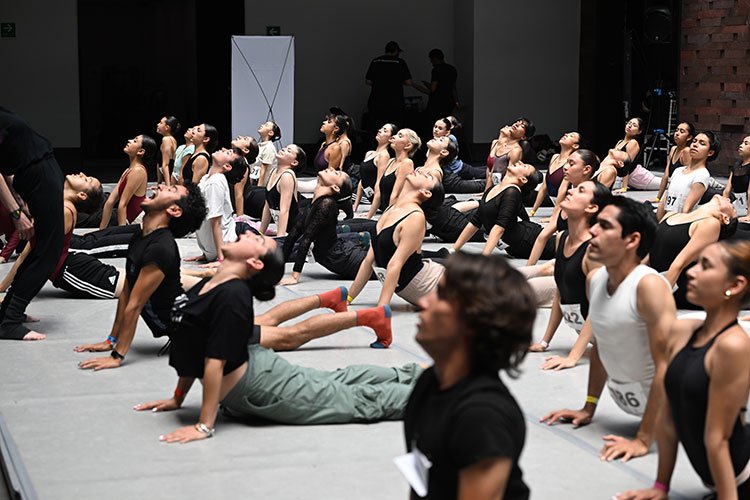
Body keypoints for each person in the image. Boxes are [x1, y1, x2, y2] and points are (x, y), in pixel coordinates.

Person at [134, 233, 423, 441]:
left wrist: (204, 426)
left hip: (263, 385)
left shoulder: (232, 295)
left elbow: (214, 360)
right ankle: (418, 373)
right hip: (258, 372)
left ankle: (433, 390)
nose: (247, 234)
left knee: (355, 400)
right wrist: (178, 398)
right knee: (341, 380)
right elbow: (189, 344)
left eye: (257, 240)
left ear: (255, 262)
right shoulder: (210, 285)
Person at [541, 197, 677, 464]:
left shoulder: (648, 286)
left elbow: (667, 365)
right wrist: (588, 407)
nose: (593, 230)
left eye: (605, 225)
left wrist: (643, 439)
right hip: (637, 406)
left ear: (632, 240)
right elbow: (601, 345)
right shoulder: (595, 279)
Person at [616, 241, 750, 500]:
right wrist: (660, 487)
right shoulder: (681, 331)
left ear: (735, 285)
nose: (691, 271)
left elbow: (718, 439)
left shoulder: (733, 346)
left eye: (706, 266)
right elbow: (668, 417)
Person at [403, 252, 534, 499]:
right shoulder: (430, 382)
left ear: (473, 318)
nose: (424, 302)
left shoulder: (482, 417)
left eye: (441, 295)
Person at [75, 182, 207, 370]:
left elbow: (135, 304)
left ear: (174, 210)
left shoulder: (160, 248)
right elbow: (126, 292)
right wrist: (111, 340)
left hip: (196, 326)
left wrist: (117, 356)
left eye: (171, 189)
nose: (160, 186)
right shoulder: (141, 236)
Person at [0, 173, 122, 301]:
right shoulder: (59, 204)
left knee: (134, 287)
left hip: (75, 272)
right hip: (75, 265)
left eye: (86, 180)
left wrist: (12, 298)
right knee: (133, 279)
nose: (81, 174)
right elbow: (30, 251)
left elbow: (39, 260)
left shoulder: (64, 212)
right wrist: (4, 287)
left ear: (81, 195)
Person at [0, 108, 65, 340]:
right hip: (37, 173)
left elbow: (4, 161)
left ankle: (9, 312)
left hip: (39, 171)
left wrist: (19, 200)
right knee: (48, 252)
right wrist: (16, 213)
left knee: (44, 250)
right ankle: (9, 321)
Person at [530, 181, 610, 366]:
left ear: (591, 207)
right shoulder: (562, 237)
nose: (571, 191)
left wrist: (573, 358)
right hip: (593, 337)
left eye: (581, 190)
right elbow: (560, 293)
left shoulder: (594, 250)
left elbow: (599, 307)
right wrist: (544, 342)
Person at [348, 170, 445, 309]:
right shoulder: (391, 209)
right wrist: (348, 298)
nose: (419, 171)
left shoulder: (415, 217)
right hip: (422, 283)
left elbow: (395, 264)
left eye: (427, 176)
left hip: (433, 284)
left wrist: (381, 309)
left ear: (426, 192)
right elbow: (369, 260)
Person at [649, 194, 738, 310]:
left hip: (680, 285)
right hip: (658, 280)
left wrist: (658, 302)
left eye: (732, 207)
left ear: (725, 218)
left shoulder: (710, 223)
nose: (728, 199)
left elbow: (679, 264)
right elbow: (649, 254)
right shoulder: (673, 214)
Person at [279, 168, 368, 283]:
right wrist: (278, 267)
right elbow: (292, 236)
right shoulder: (314, 203)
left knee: (383, 267)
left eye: (336, 173)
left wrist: (295, 276)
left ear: (335, 187)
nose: (331, 168)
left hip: (344, 257)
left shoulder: (327, 204)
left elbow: (306, 240)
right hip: (337, 256)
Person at [451, 163, 545, 257]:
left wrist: (483, 259)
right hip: (516, 246)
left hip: (531, 240)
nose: (519, 163)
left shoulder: (512, 192)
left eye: (524, 166)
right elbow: (476, 221)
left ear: (523, 179)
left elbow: (499, 228)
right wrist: (453, 249)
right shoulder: (493, 189)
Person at [526, 149, 598, 265]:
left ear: (586, 169)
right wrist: (529, 267)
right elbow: (542, 237)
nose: (565, 167)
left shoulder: (593, 198)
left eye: (571, 164)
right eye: (567, 162)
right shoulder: (569, 196)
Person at [186, 148, 248, 263]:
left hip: (234, 236)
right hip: (216, 245)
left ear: (227, 166)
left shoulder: (215, 182)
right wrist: (207, 253)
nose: (223, 149)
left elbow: (217, 222)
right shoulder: (206, 178)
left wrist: (221, 259)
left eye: (228, 152)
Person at [656, 131, 718, 221]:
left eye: (702, 143)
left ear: (710, 153)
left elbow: (686, 210)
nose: (695, 145)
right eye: (694, 141)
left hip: (678, 222)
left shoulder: (702, 174)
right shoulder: (678, 171)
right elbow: (664, 202)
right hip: (664, 220)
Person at [99, 134, 154, 229]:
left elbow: (123, 204)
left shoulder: (138, 171)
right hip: (131, 220)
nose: (129, 140)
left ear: (141, 151)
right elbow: (110, 202)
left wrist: (121, 232)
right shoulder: (128, 170)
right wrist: (101, 230)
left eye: (135, 141)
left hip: (140, 221)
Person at [370, 128, 421, 216]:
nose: (394, 136)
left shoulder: (407, 163)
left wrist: (387, 219)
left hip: (396, 215)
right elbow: (379, 192)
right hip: (385, 212)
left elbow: (395, 196)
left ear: (408, 145)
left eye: (400, 136)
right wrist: (369, 216)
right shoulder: (390, 161)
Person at [530, 132, 581, 216]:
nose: (566, 134)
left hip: (568, 206)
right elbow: (544, 186)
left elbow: (563, 189)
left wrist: (554, 216)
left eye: (571, 136)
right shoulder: (554, 157)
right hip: (554, 201)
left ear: (575, 146)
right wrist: (533, 211)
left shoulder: (571, 162)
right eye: (567, 134)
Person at [365, 41, 414, 128]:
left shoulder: (376, 61)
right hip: (395, 102)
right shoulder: (400, 62)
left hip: (376, 100)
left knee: (378, 127)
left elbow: (368, 81)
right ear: (396, 51)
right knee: (394, 127)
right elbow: (408, 82)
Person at [259, 144, 305, 237]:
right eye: (285, 148)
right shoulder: (273, 171)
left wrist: (280, 238)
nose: (283, 149)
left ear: (294, 162)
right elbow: (268, 206)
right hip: (285, 230)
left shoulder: (287, 176)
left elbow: (284, 210)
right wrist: (260, 233)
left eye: (289, 151)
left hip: (296, 231)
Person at [353, 123, 397, 213]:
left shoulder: (384, 155)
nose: (380, 131)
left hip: (380, 201)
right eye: (381, 128)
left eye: (385, 131)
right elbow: (363, 180)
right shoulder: (370, 153)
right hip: (369, 196)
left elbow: (379, 183)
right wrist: (355, 206)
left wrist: (370, 214)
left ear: (390, 138)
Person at [486, 118, 535, 189]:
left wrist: (496, 191)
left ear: (523, 137)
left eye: (522, 126)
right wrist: (486, 192)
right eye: (517, 122)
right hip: (492, 183)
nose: (517, 124)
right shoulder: (496, 142)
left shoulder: (516, 151)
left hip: (502, 187)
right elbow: (490, 172)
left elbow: (510, 176)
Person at [414, 48, 458, 125]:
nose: (431, 62)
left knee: (434, 125)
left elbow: (433, 89)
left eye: (431, 60)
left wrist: (414, 85)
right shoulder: (452, 69)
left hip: (436, 104)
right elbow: (453, 87)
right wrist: (457, 102)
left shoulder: (436, 69)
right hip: (449, 102)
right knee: (446, 124)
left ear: (435, 59)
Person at [654, 122, 695, 203]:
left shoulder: (686, 151)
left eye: (682, 131)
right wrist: (658, 198)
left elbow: (689, 179)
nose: (677, 133)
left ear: (689, 137)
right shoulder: (673, 149)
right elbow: (665, 176)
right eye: (676, 130)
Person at [611, 117, 643, 192]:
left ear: (639, 131)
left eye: (634, 125)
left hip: (638, 176)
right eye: (629, 123)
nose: (630, 126)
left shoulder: (632, 143)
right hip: (628, 177)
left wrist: (624, 187)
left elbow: (627, 165)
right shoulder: (620, 142)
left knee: (665, 183)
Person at [723, 134, 749, 218]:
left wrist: (749, 215)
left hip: (746, 204)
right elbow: (727, 190)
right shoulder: (736, 165)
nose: (741, 145)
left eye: (746, 143)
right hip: (735, 200)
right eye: (742, 142)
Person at [156, 116, 180, 186]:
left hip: (171, 180)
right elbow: (159, 164)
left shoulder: (166, 139)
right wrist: (159, 183)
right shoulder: (170, 139)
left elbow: (166, 165)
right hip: (169, 179)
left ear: (167, 127)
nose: (158, 124)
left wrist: (168, 187)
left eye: (161, 123)